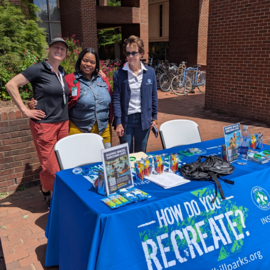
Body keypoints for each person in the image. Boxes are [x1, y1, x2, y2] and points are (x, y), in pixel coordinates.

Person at [5, 37, 69, 208]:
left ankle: (50, 191)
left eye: (63, 49)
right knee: (49, 167)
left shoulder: (61, 72)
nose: (59, 51)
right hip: (45, 124)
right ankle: (51, 195)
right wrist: (25, 110)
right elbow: (11, 85)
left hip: (63, 124)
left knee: (61, 163)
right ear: (48, 49)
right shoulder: (38, 69)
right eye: (56, 47)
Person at [113, 35, 158, 153]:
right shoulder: (119, 74)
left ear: (141, 53)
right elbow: (116, 99)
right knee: (126, 154)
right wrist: (118, 122)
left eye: (134, 53)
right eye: (128, 53)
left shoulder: (150, 73)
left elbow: (154, 96)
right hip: (125, 121)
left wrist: (154, 118)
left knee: (141, 153)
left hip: (143, 120)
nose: (130, 56)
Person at [65, 48, 113, 145]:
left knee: (106, 159)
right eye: (85, 60)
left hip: (103, 129)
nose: (88, 64)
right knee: (82, 160)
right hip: (79, 130)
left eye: (92, 62)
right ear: (80, 61)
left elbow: (111, 100)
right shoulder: (69, 79)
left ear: (96, 65)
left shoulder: (102, 79)